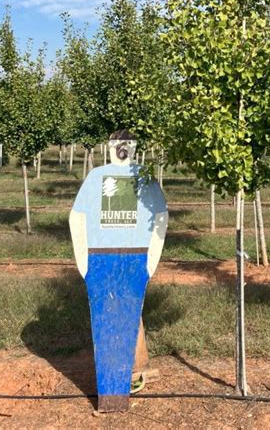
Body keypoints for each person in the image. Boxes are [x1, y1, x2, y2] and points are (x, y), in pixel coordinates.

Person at [69, 130, 168, 412]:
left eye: (127, 145)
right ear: (111, 147)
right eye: (118, 145)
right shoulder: (96, 177)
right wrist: (84, 262)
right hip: (101, 261)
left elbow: (161, 215)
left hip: (134, 260)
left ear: (133, 148)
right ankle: (110, 397)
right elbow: (77, 217)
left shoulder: (145, 177)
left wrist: (150, 261)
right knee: (105, 325)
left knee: (123, 323)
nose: (122, 149)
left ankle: (117, 396)